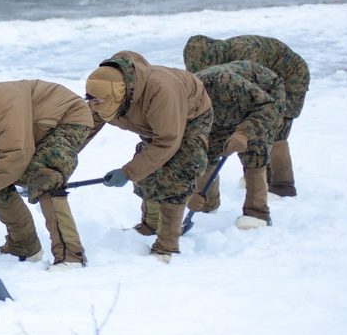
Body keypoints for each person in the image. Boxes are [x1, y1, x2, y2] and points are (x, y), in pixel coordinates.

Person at [0, 79, 94, 270]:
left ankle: (71, 256)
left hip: (65, 118)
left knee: (44, 174)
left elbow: (17, 155)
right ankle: (24, 247)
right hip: (25, 135)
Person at [84, 51, 212, 263]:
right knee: (147, 167)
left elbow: (167, 141)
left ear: (119, 94)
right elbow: (85, 129)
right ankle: (150, 224)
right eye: (91, 100)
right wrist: (62, 160)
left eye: (98, 101)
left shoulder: (160, 91)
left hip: (191, 115)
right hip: (153, 122)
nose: (94, 106)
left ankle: (167, 245)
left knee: (177, 172)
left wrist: (127, 172)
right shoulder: (103, 97)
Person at [183, 34, 309, 197]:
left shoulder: (246, 54)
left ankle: (283, 185)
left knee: (275, 125)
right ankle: (262, 175)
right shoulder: (215, 59)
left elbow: (260, 101)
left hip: (291, 77)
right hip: (266, 80)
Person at [189, 60, 285, 229]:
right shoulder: (179, 107)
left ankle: (257, 213)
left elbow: (269, 107)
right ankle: (208, 203)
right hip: (219, 110)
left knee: (254, 148)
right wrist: (193, 193)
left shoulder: (221, 84)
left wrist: (243, 133)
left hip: (262, 98)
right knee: (204, 147)